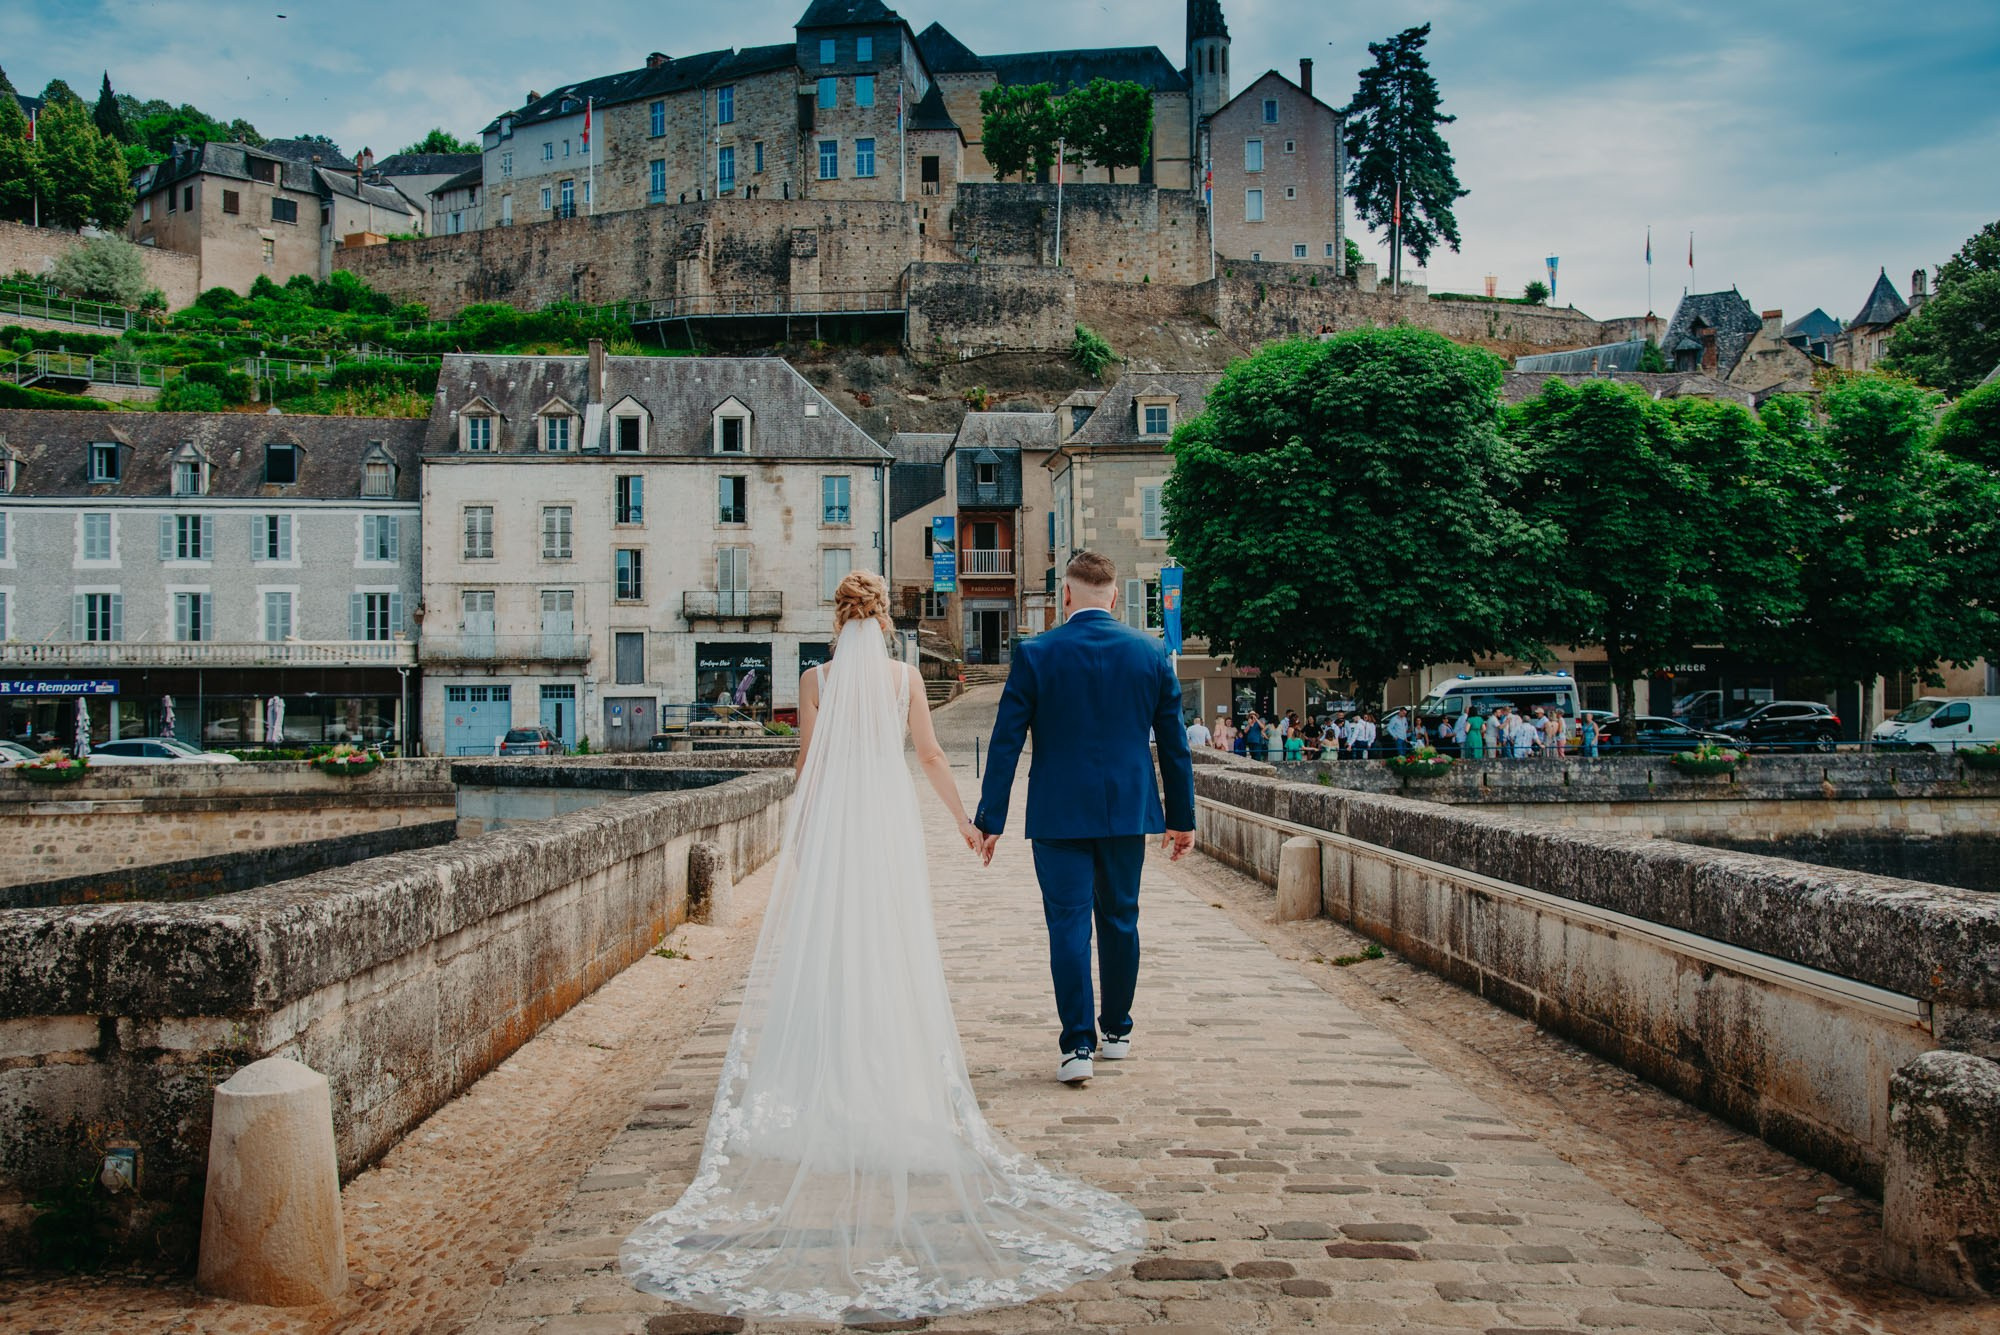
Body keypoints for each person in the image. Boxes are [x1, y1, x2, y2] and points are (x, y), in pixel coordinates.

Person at [623, 570, 1145, 1322]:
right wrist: (968, 822)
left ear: (837, 618)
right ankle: (895, 1079)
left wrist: (797, 837)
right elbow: (931, 758)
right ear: (886, 617)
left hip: (838, 827)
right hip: (890, 827)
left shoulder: (814, 680)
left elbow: (808, 767)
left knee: (836, 949)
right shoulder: (904, 678)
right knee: (893, 948)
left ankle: (832, 1078)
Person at [975, 550, 1196, 1089]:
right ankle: (1117, 1031)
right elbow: (1175, 746)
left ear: (1065, 595)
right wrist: (1181, 817)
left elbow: (1006, 743)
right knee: (1121, 918)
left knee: (1068, 924)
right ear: (1114, 596)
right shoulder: (1150, 654)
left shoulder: (1036, 653)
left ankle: (1078, 1044)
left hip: (1057, 815)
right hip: (1127, 810)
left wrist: (991, 818)